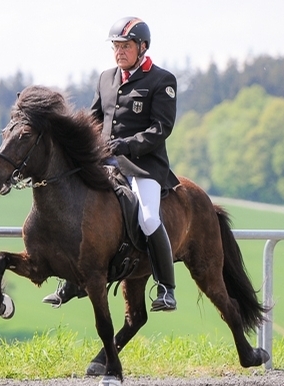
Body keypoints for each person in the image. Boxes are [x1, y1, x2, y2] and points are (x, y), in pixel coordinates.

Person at [42, 16, 179, 312]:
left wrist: (127, 145)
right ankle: (71, 281)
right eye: (116, 46)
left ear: (142, 47)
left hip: (144, 166)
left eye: (125, 46)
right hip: (104, 163)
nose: (119, 52)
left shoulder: (161, 80)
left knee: (148, 218)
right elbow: (92, 119)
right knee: (76, 210)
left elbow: (161, 128)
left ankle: (167, 288)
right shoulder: (106, 78)